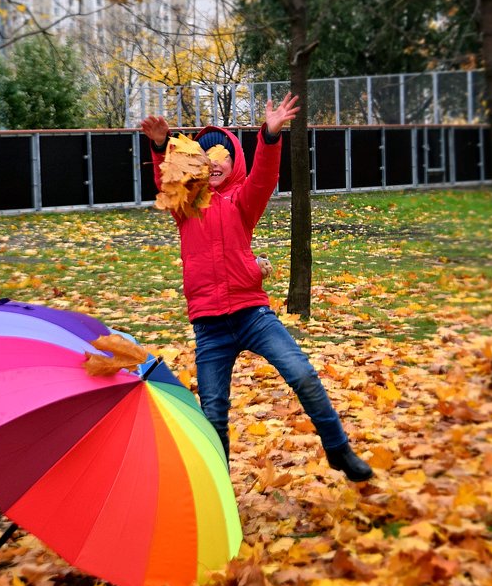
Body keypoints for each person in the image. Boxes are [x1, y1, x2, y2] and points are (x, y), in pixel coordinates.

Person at [140, 94, 373, 482]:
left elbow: (265, 176)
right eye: (206, 154)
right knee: (213, 411)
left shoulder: (243, 201)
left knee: (302, 375)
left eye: (223, 154)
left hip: (252, 314)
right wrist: (163, 146)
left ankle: (338, 450)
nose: (214, 161)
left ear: (235, 163)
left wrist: (269, 134)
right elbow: (166, 177)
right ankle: (218, 491)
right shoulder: (185, 206)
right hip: (210, 326)